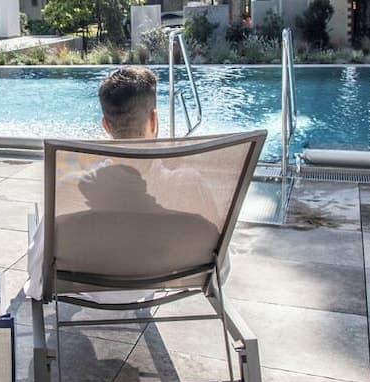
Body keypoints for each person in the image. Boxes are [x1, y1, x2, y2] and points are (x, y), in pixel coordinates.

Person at [24, 66, 227, 300]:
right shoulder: (189, 185)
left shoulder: (70, 190)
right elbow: (220, 270)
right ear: (153, 120)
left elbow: (37, 275)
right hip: (160, 280)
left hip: (91, 289)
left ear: (106, 125)